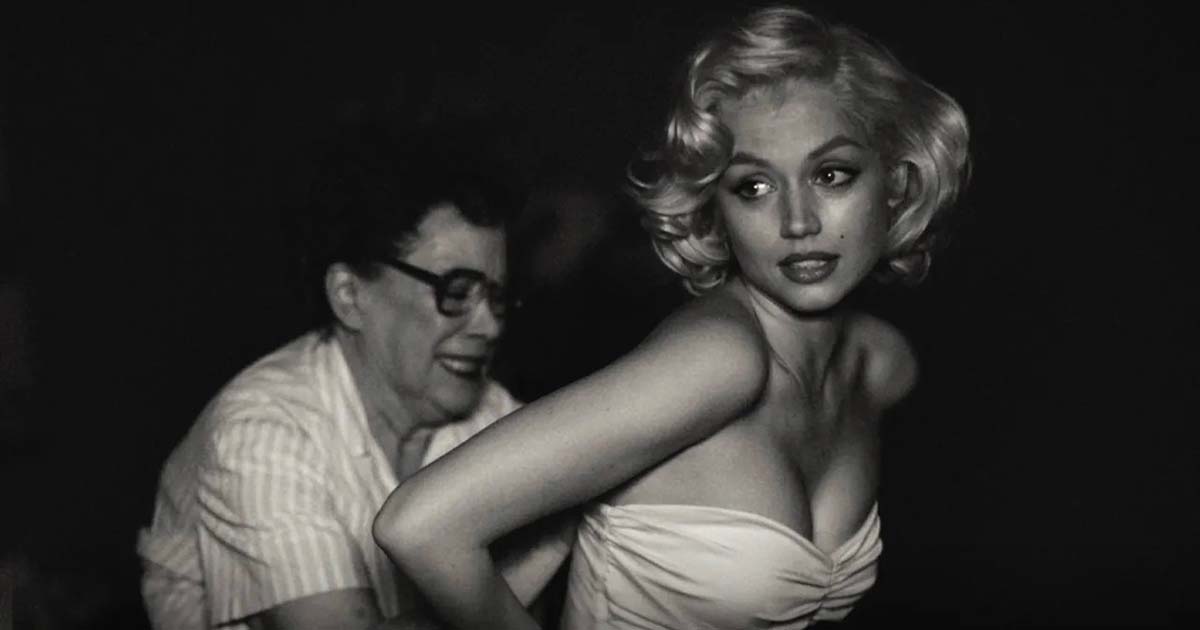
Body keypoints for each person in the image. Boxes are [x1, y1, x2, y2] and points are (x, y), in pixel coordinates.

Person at [373, 4, 970, 629]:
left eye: (831, 174)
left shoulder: (881, 366)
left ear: (896, 184)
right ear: (714, 208)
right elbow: (419, 524)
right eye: (754, 187)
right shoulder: (720, 360)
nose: (798, 222)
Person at [136, 129, 573, 630]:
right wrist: (533, 556)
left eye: (496, 297)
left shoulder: (490, 414)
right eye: (456, 290)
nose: (490, 326)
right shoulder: (261, 431)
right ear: (349, 295)